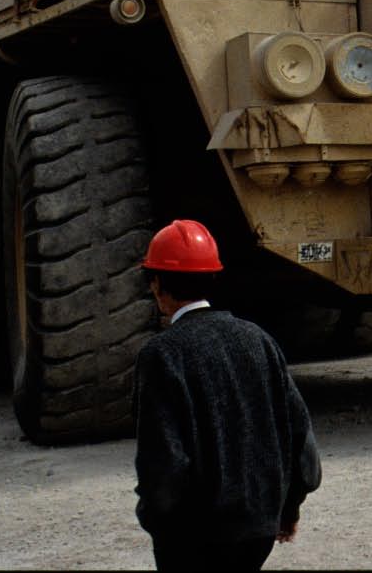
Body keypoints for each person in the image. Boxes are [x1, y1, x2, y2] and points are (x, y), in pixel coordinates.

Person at [133, 219, 322, 571]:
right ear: (213, 276)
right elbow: (301, 438)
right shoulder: (258, 340)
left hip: (193, 541)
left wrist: (156, 522)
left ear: (158, 285)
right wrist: (288, 509)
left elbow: (163, 464)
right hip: (259, 532)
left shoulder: (162, 354)